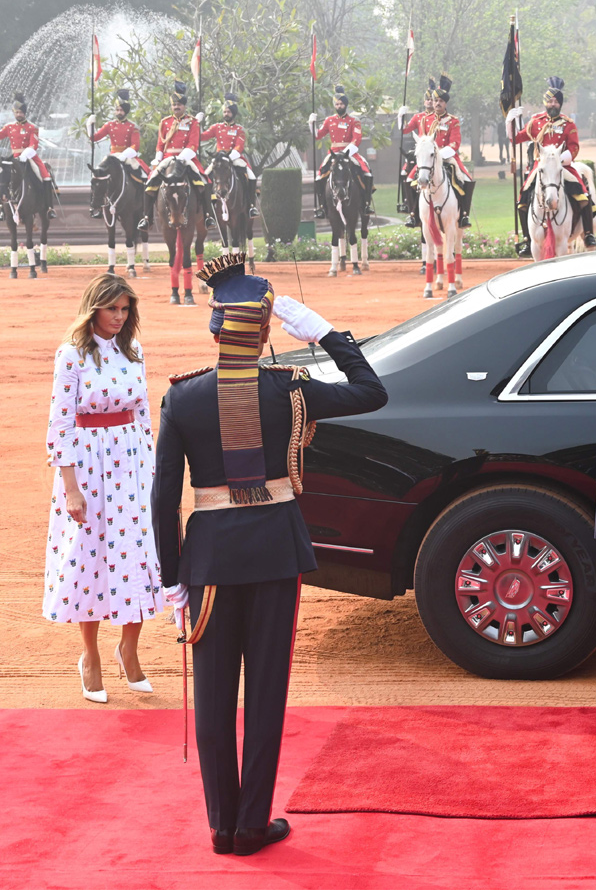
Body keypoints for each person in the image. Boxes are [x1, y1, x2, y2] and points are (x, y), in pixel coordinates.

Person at [152, 253, 387, 855]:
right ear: (263, 332)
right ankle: (252, 822)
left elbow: (163, 495)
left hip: (209, 559)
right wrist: (324, 332)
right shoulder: (290, 388)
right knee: (264, 693)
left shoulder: (182, 398)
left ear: (213, 329)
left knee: (212, 695)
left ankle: (221, 826)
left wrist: (172, 577)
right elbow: (371, 391)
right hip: (275, 554)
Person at [44, 273, 162, 703]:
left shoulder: (134, 352)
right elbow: (60, 424)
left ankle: (128, 651)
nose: (118, 316)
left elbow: (144, 414)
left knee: (137, 555)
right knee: (88, 560)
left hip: (131, 464)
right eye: (111, 308)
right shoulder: (71, 356)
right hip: (89, 468)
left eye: (125, 309)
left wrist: (152, 475)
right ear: (93, 307)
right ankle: (90, 656)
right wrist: (70, 488)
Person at [505, 77, 596, 256]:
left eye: (555, 101)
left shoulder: (568, 124)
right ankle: (527, 238)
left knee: (583, 195)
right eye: (549, 100)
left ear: (560, 104)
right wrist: (510, 121)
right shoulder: (535, 122)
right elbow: (516, 138)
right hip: (540, 167)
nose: (552, 104)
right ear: (545, 103)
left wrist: (559, 160)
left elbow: (574, 147)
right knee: (523, 198)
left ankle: (587, 234)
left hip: (562, 166)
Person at [139, 81, 215, 230]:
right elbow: (160, 143)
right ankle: (146, 218)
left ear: (184, 106)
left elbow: (193, 144)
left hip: (186, 158)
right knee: (151, 182)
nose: (176, 107)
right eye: (174, 105)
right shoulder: (165, 122)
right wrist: (158, 157)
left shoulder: (192, 122)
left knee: (204, 182)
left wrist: (182, 158)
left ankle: (208, 216)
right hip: (167, 159)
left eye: (179, 104)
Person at [309, 84, 375, 218]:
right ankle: (321, 206)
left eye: (341, 104)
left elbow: (356, 140)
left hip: (349, 152)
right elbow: (317, 135)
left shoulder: (354, 121)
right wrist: (311, 123)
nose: (339, 106)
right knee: (319, 176)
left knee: (366, 173)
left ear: (345, 105)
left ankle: (366, 204)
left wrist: (345, 153)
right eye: (337, 104)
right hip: (333, 153)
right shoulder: (329, 120)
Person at [85, 89, 149, 217]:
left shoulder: (133, 127)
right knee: (97, 177)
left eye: (121, 110)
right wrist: (89, 125)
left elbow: (135, 146)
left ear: (125, 111)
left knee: (143, 176)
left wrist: (124, 155)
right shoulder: (109, 125)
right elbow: (94, 138)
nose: (118, 112)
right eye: (117, 110)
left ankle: (143, 207)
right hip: (112, 156)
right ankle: (96, 205)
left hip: (128, 156)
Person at [426, 75, 475, 228]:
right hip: (429, 157)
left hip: (447, 157)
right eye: (435, 101)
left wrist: (439, 155)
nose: (437, 103)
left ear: (445, 103)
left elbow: (455, 143)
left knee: (466, 180)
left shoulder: (453, 121)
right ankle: (413, 213)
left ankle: (464, 215)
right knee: (410, 178)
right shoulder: (425, 120)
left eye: (440, 101)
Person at [1, 92, 60, 217]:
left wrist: (24, 155)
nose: (19, 115)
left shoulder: (32, 127)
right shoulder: (9, 127)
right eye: (16, 112)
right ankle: (2, 208)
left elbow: (34, 145)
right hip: (13, 158)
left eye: (21, 112)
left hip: (29, 156)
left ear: (25, 113)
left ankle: (49, 208)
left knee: (44, 175)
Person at [201, 93, 259, 218]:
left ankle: (251, 206)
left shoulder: (240, 129)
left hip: (234, 157)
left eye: (228, 112)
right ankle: (207, 210)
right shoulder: (216, 127)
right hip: (219, 159)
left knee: (252, 176)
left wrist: (229, 157)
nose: (226, 114)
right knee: (205, 178)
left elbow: (239, 146)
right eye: (224, 112)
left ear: (233, 113)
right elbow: (202, 137)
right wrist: (198, 124)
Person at [396, 83, 437, 227]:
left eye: (432, 99)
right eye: (427, 99)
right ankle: (412, 211)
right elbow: (405, 130)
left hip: (436, 153)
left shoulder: (439, 117)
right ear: (424, 101)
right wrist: (400, 117)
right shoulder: (418, 117)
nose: (429, 102)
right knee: (406, 176)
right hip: (420, 153)